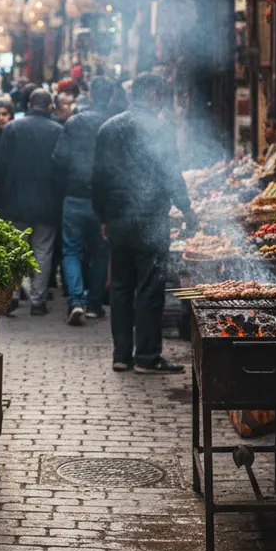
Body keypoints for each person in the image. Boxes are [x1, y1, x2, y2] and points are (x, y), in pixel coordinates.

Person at [92, 73, 195, 373]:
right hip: (150, 219)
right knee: (150, 287)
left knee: (122, 286)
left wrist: (103, 217)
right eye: (161, 94)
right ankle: (147, 357)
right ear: (152, 96)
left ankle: (121, 356)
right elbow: (170, 173)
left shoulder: (108, 128)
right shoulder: (160, 127)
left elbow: (97, 179)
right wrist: (187, 208)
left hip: (118, 219)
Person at [0, 89, 62, 315]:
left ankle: (12, 296)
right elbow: (62, 167)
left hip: (15, 201)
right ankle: (38, 301)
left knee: (16, 250)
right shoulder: (58, 130)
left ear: (30, 103)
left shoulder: (13, 128)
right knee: (43, 251)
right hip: (47, 203)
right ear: (49, 106)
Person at [53, 77, 115, 325]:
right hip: (103, 201)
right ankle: (95, 303)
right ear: (109, 97)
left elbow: (59, 157)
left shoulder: (74, 122)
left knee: (71, 250)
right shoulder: (113, 123)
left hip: (75, 196)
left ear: (89, 95)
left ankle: (76, 301)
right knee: (101, 252)